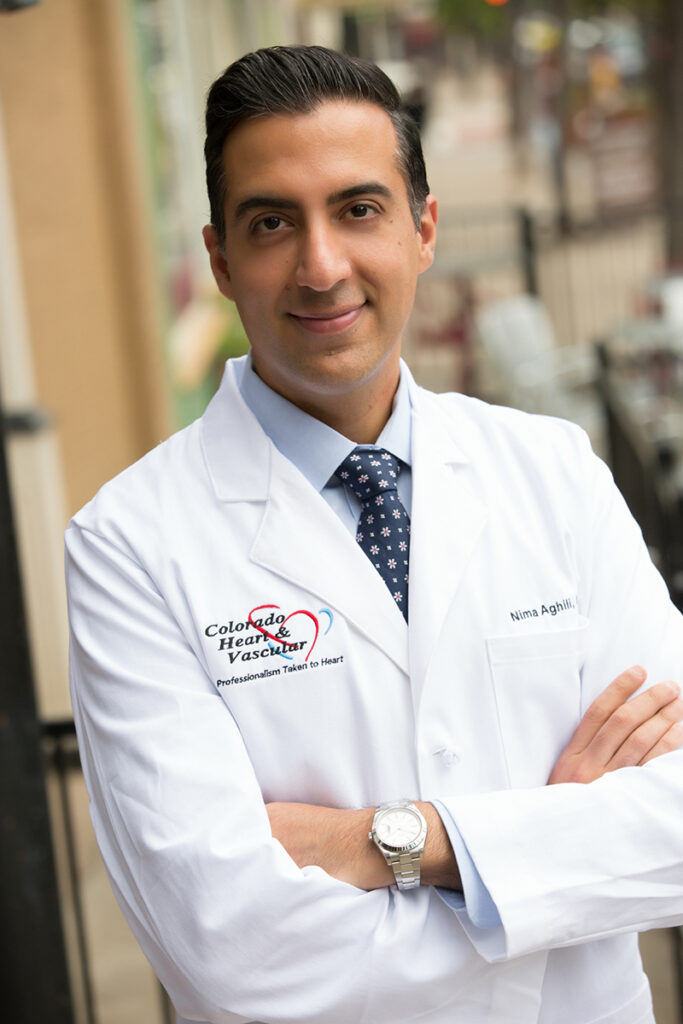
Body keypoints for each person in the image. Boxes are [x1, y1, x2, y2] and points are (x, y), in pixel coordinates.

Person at [65, 45, 683, 1024]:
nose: (321, 266)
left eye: (357, 209)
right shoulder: (128, 546)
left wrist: (403, 842)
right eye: (272, 223)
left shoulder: (552, 472)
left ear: (422, 229)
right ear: (219, 260)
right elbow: (231, 950)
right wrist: (552, 856)